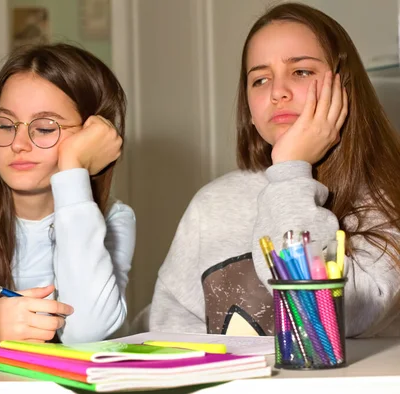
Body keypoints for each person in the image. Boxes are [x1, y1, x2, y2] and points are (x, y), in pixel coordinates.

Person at [150, 2, 400, 338]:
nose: (277, 92)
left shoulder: (384, 203)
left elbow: (320, 317)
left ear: (345, 89)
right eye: (260, 79)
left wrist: (291, 171)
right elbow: (173, 334)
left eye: (301, 72)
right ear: (249, 108)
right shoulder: (211, 205)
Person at [0, 43, 136, 345]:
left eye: (45, 129)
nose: (18, 143)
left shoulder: (115, 218)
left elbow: (86, 332)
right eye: (6, 125)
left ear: (91, 138)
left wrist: (73, 170)